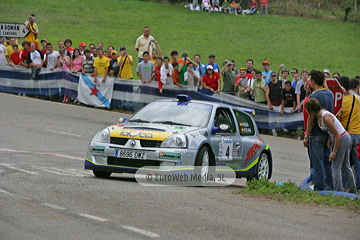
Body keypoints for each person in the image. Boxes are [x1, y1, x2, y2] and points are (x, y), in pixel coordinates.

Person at [305, 98, 356, 192]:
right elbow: (331, 131)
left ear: (311, 110)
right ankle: (352, 189)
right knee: (346, 166)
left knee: (335, 167)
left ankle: (338, 191)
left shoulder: (326, 118)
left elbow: (337, 135)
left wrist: (334, 152)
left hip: (342, 138)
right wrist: (329, 139)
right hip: (341, 137)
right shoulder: (320, 116)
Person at [303, 70, 334, 191]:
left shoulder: (314, 96)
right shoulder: (330, 94)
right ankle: (329, 187)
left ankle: (319, 188)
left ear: (313, 81)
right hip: (327, 133)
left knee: (317, 163)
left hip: (316, 133)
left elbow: (311, 118)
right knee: (327, 163)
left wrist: (306, 136)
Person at [338, 76, 360, 190]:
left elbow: (339, 120)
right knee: (357, 163)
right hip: (358, 133)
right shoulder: (357, 99)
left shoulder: (341, 102)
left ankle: (344, 186)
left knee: (344, 163)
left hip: (346, 134)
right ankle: (358, 186)